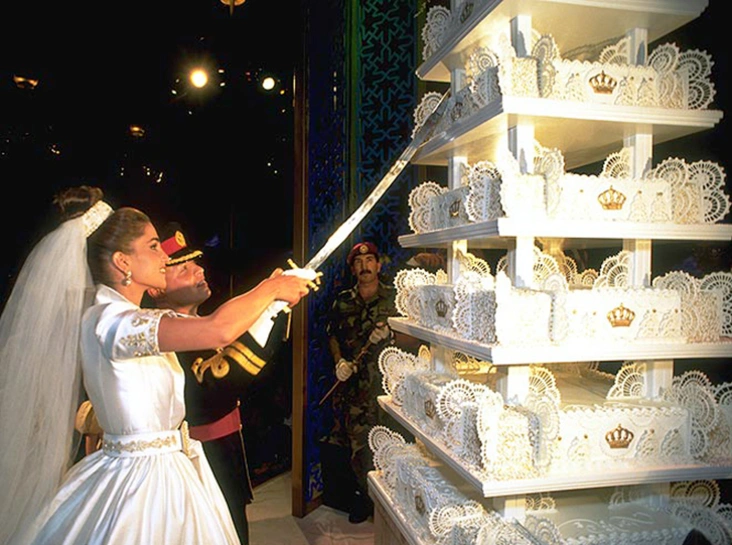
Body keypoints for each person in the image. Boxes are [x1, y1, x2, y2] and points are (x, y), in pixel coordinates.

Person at [0, 186, 312, 545]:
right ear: (123, 262)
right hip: (142, 483)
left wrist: (270, 298)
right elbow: (218, 330)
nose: (163, 255)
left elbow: (215, 329)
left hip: (164, 466)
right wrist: (271, 289)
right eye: (152, 246)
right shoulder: (113, 322)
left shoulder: (123, 316)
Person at [322, 241, 416, 524]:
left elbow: (415, 337)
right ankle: (366, 498)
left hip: (391, 389)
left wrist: (391, 336)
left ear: (378, 264)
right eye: (358, 263)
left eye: (369, 261)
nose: (364, 266)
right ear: (353, 269)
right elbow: (333, 335)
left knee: (394, 443)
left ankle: (394, 501)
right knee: (359, 448)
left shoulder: (395, 298)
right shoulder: (343, 301)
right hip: (356, 391)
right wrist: (339, 362)